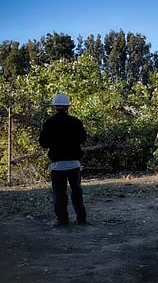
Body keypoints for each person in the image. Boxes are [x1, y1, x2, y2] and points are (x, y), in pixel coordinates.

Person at [39, 93, 88, 227]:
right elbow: (83, 139)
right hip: (74, 162)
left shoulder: (48, 123)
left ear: (54, 107)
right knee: (76, 191)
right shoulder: (75, 121)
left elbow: (43, 143)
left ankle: (62, 220)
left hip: (57, 164)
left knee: (59, 193)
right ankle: (81, 219)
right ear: (67, 106)